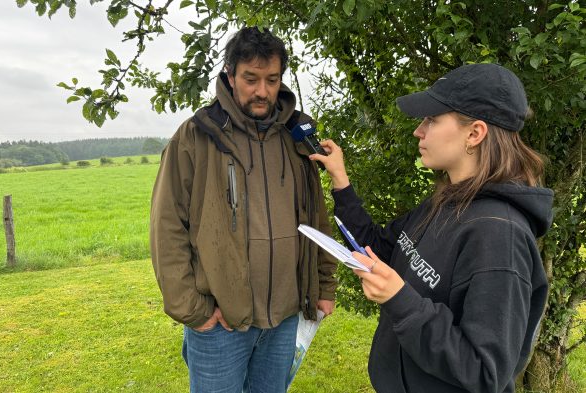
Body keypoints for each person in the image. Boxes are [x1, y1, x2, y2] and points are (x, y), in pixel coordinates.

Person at [310, 63, 553, 393]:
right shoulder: (445, 201)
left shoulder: (500, 235)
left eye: (432, 119)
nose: (418, 131)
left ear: (475, 133)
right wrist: (340, 180)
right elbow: (377, 247)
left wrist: (400, 300)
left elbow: (485, 374)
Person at [150, 27, 336, 393]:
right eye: (250, 78)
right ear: (230, 74)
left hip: (284, 318)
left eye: (272, 79)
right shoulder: (196, 137)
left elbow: (316, 218)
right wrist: (194, 311)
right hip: (221, 322)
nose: (262, 91)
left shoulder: (296, 136)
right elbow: (167, 226)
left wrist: (324, 284)